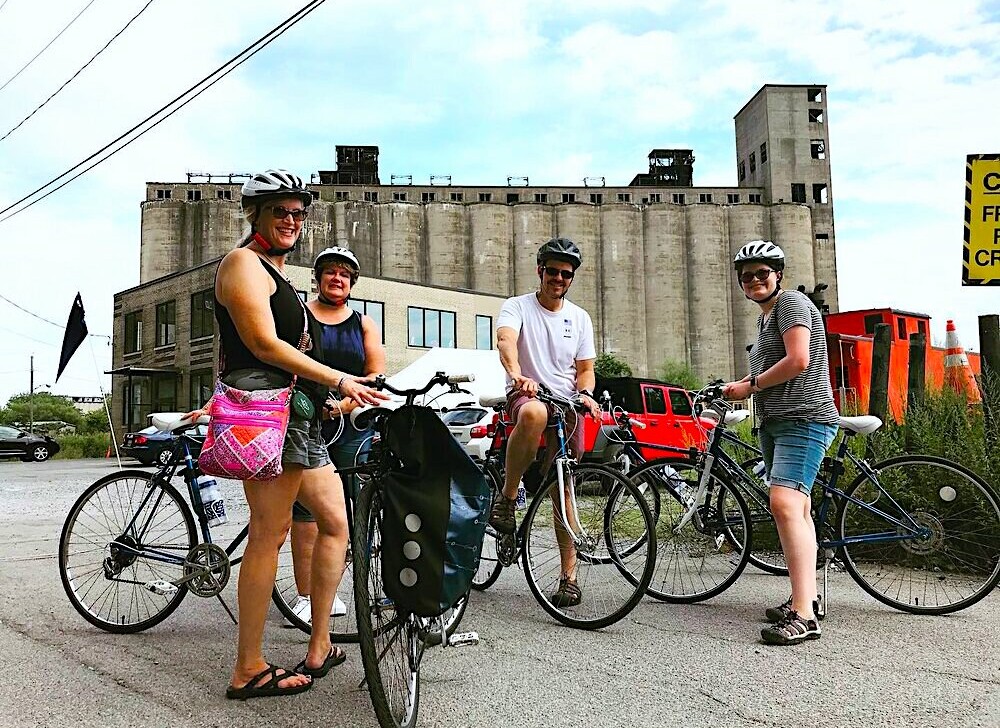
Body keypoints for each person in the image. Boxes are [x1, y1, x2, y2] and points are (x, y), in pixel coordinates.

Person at [202, 169, 386, 699]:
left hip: (299, 418)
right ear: (254, 213)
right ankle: (248, 667)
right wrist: (338, 377)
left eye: (298, 213)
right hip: (267, 415)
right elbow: (261, 344)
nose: (290, 220)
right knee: (270, 533)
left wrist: (334, 397)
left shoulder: (280, 277)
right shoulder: (243, 265)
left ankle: (319, 644)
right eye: (279, 210)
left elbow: (296, 357)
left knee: (335, 523)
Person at [722, 240, 839, 646]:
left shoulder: (790, 304)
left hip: (803, 418)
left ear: (778, 275)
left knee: (785, 504)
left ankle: (804, 617)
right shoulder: (766, 317)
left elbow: (799, 360)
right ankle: (805, 596)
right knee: (797, 509)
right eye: (747, 276)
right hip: (779, 422)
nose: (754, 280)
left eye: (762, 273)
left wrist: (749, 385)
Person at [490, 237, 601, 607]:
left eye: (565, 274)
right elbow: (505, 340)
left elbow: (585, 371)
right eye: (551, 271)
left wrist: (585, 394)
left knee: (563, 488)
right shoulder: (517, 306)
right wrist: (518, 374)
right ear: (540, 271)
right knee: (534, 412)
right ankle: (508, 497)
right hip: (528, 395)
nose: (557, 278)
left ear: (571, 278)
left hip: (567, 404)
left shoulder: (580, 317)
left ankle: (569, 578)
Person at [288, 246, 386, 625]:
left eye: (344, 274)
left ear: (352, 283)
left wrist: (342, 406)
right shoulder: (300, 315)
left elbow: (376, 378)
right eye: (330, 272)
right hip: (304, 422)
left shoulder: (363, 323)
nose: (337, 279)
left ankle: (345, 588)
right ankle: (304, 596)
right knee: (304, 511)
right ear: (318, 277)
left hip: (352, 429)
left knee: (354, 508)